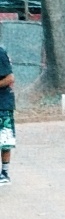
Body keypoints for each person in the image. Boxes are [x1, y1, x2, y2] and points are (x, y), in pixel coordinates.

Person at [0, 39, 14, 185]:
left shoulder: (0, 53)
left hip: (2, 104)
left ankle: (4, 173)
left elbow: (10, 78)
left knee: (4, 140)